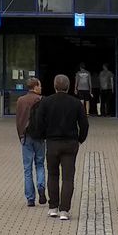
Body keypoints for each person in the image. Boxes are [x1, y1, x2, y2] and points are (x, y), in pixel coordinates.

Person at [30, 74, 89, 221]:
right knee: (68, 178)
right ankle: (64, 210)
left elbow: (39, 122)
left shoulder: (46, 102)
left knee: (53, 175)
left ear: (54, 86)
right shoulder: (76, 103)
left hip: (52, 143)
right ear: (68, 87)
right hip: (70, 143)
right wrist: (80, 139)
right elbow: (84, 124)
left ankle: (53, 208)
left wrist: (43, 136)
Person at [14, 77, 46, 208]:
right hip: (39, 137)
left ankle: (30, 198)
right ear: (35, 87)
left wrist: (20, 135)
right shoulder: (41, 100)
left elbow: (18, 119)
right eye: (40, 85)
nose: (41, 88)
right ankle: (41, 185)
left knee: (27, 168)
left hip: (26, 136)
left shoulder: (20, 100)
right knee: (40, 164)